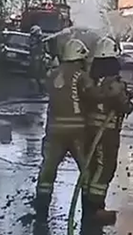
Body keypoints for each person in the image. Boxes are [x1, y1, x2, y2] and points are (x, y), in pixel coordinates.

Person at [34, 38, 92, 217]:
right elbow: (92, 96)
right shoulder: (82, 76)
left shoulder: (52, 74)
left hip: (54, 132)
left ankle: (42, 208)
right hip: (77, 133)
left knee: (48, 169)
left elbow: (48, 90)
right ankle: (89, 210)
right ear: (79, 58)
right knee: (86, 170)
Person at [84, 36, 133, 225]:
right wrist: (127, 99)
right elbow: (124, 107)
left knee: (94, 168)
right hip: (106, 133)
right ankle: (94, 208)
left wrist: (127, 93)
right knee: (105, 168)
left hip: (92, 130)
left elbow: (104, 98)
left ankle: (90, 204)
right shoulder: (113, 83)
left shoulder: (93, 80)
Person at [29, 25, 46, 94]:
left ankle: (41, 90)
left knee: (40, 76)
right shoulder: (33, 40)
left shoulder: (40, 40)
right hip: (35, 60)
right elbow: (32, 47)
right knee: (35, 76)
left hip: (39, 60)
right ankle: (35, 91)